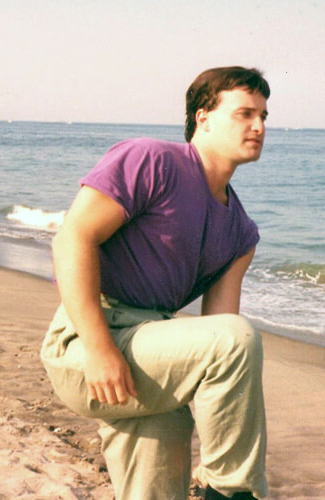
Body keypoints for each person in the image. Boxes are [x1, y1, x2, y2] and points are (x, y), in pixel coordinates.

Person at [40, 66, 270, 500]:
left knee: (155, 492)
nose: (258, 126)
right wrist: (100, 349)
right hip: (87, 343)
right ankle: (232, 493)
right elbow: (72, 238)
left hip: (153, 354)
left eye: (263, 116)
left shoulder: (241, 233)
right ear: (204, 117)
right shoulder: (151, 160)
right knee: (237, 339)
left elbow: (216, 336)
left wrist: (217, 434)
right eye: (244, 113)